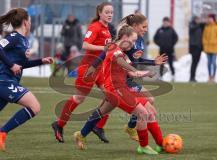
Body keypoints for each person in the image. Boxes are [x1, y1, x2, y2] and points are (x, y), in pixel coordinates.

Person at [75, 13, 168, 145]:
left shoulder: (138, 40)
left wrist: (153, 63)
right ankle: (131, 129)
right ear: (135, 26)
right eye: (144, 26)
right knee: (145, 103)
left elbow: (135, 59)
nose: (146, 29)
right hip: (118, 81)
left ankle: (84, 133)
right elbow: (108, 53)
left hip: (124, 78)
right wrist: (93, 67)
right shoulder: (124, 40)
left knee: (105, 109)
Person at [51, 2, 113, 143]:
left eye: (111, 12)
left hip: (99, 69)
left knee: (112, 97)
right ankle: (59, 124)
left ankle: (98, 126)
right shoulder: (95, 27)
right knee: (79, 98)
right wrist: (103, 47)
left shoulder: (107, 28)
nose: (110, 14)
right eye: (107, 12)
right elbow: (85, 45)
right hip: (89, 68)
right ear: (100, 13)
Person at [0, 8, 53, 151]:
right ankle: (2, 132)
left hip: (8, 82)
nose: (30, 24)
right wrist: (11, 65)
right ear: (25, 22)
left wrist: (41, 61)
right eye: (30, 21)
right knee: (34, 106)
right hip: (4, 81)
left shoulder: (23, 40)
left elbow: (21, 66)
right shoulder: (14, 37)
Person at [202, 14, 217, 82]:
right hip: (207, 48)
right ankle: (209, 76)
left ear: (213, 19)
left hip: (215, 48)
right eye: (208, 18)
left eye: (210, 18)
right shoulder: (207, 27)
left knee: (213, 62)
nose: (209, 20)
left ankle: (213, 76)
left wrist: (212, 41)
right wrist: (205, 43)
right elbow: (204, 37)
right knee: (208, 63)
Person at [189, 16, 202, 82]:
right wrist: (198, 24)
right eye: (197, 19)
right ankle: (191, 77)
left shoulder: (199, 26)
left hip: (199, 47)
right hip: (194, 47)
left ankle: (193, 77)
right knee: (194, 63)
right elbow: (192, 28)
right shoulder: (192, 25)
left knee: (196, 62)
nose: (199, 20)